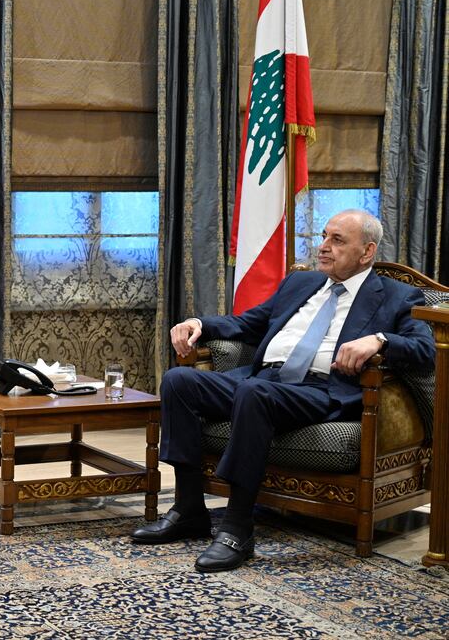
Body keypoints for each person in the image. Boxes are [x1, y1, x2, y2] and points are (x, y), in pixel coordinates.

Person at [131, 209, 434, 572]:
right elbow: (248, 323)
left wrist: (379, 340)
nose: (323, 247)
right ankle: (188, 508)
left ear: (367, 252)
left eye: (337, 241)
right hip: (263, 379)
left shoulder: (397, 296)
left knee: (254, 394)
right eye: (324, 236)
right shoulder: (301, 284)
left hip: (321, 390)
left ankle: (236, 529)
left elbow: (425, 349)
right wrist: (198, 323)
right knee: (180, 381)